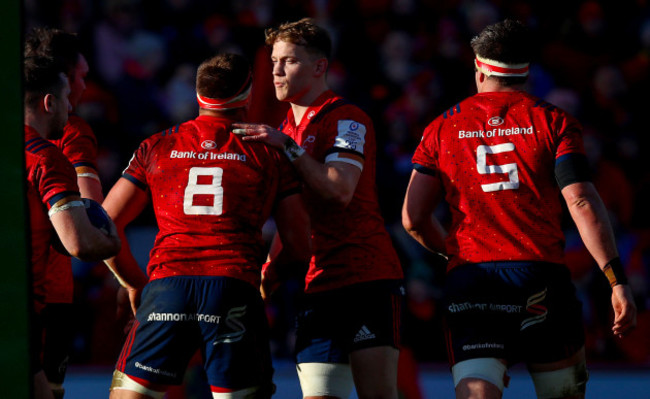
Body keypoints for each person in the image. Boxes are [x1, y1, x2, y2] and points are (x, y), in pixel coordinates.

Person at [401, 19, 637, 399]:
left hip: (474, 278)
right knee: (563, 393)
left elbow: (412, 218)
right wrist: (616, 279)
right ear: (525, 73)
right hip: (539, 277)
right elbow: (580, 200)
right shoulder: (554, 121)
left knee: (478, 391)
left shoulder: (441, 127)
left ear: (479, 71)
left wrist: (451, 252)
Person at [101, 52, 311, 399]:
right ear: (247, 95)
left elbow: (105, 224)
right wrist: (268, 280)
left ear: (198, 94)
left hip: (168, 286)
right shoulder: (270, 153)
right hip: (232, 286)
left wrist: (134, 283)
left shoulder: (157, 145)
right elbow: (299, 244)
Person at [232, 18, 404, 399]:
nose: (276, 71)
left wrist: (289, 150)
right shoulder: (285, 132)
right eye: (273, 61)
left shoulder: (346, 118)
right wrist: (268, 273)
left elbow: (339, 190)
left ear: (319, 66)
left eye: (288, 61)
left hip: (366, 278)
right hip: (316, 283)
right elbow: (294, 220)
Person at [24, 55, 121, 399]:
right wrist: (111, 243)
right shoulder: (49, 155)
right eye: (67, 95)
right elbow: (81, 240)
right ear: (49, 102)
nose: (72, 103)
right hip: (42, 302)